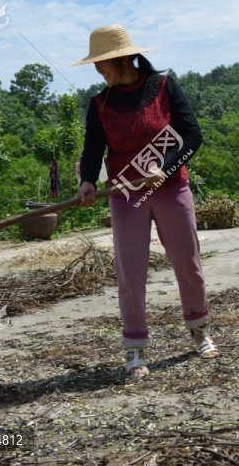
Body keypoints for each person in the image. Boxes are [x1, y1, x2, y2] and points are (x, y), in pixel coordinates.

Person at [73, 24, 219, 376]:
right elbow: (93, 151)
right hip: (125, 196)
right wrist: (88, 183)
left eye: (102, 62)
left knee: (188, 262)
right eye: (95, 63)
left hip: (171, 189)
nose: (97, 69)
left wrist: (166, 168)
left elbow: (193, 136)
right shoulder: (99, 104)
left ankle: (200, 332)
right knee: (131, 274)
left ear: (122, 58)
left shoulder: (165, 87)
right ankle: (135, 350)